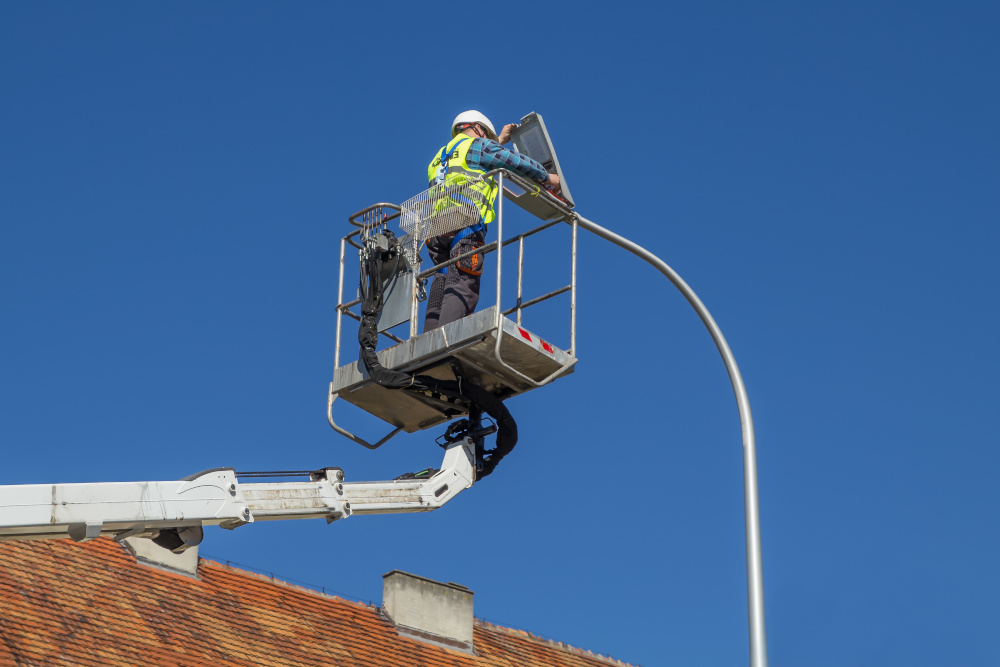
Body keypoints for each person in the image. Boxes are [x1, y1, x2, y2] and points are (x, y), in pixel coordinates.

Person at [423, 110, 560, 331]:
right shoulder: (478, 146)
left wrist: (498, 140)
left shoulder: (440, 157)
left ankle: (427, 341)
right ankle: (444, 343)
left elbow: (478, 160)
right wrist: (547, 177)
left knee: (442, 282)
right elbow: (512, 161)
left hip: (437, 229)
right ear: (477, 128)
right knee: (462, 283)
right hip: (465, 221)